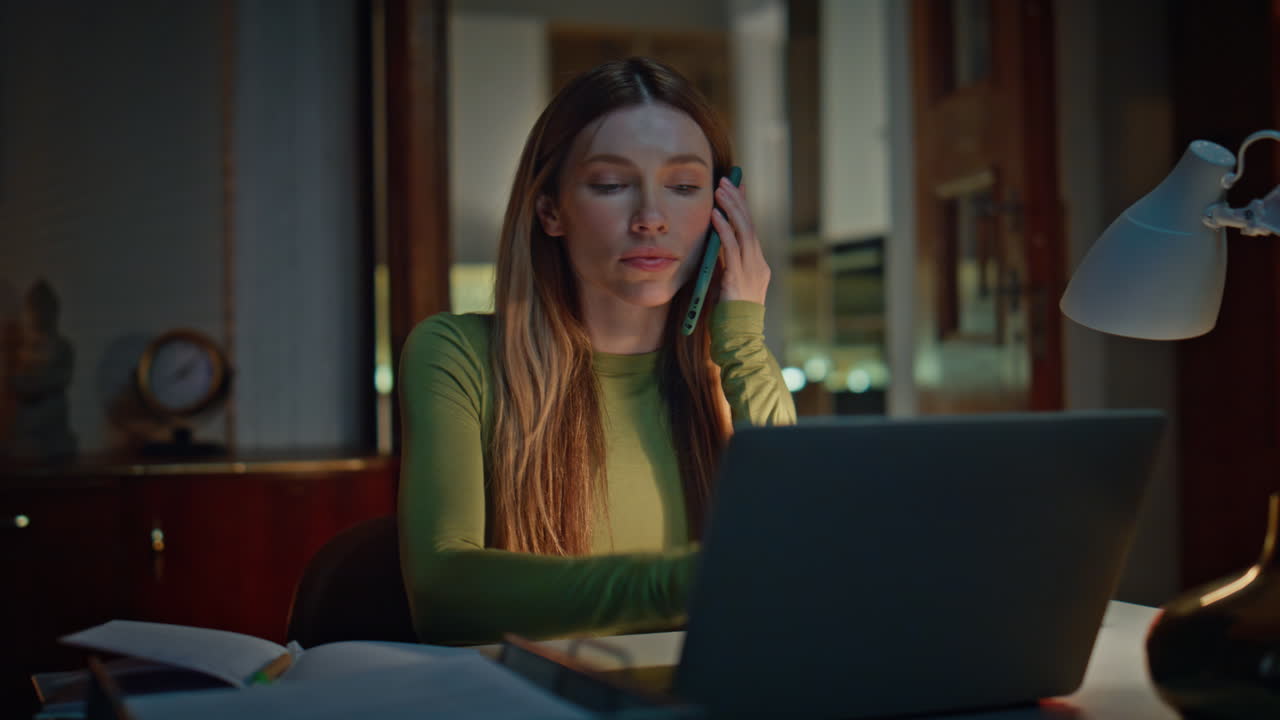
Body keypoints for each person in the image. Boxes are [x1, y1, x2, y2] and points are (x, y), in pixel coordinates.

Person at [398, 57, 796, 645]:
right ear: (550, 210)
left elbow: (801, 557)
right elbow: (442, 593)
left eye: (684, 187)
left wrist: (742, 340)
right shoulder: (455, 354)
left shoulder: (728, 369)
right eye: (611, 186)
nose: (652, 219)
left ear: (721, 213)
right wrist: (696, 581)